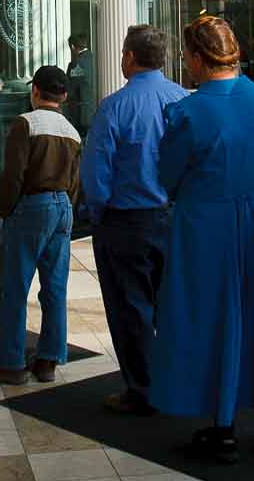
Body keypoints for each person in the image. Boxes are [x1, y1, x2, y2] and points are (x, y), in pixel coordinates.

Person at [151, 15, 254, 462]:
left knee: (210, 316)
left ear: (198, 58)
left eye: (187, 56)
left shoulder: (189, 111)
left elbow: (168, 176)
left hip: (206, 223)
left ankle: (222, 426)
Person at [80, 24, 187, 416]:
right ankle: (176, 381)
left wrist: (99, 211)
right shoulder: (181, 100)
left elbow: (96, 172)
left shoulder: (116, 106)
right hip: (173, 218)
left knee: (131, 308)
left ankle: (142, 388)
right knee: (171, 304)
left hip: (126, 221)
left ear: (129, 56)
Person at [0, 66, 82, 385]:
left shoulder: (26, 123)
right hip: (63, 206)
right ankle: (49, 360)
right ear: (64, 96)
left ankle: (10, 362)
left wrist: (7, 211)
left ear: (34, 91)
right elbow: (76, 181)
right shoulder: (72, 131)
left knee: (14, 287)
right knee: (54, 288)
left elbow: (13, 174)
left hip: (31, 206)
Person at [64, 33, 95, 137]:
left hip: (79, 114)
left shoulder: (75, 64)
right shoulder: (95, 59)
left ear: (72, 46)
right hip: (93, 110)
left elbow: (70, 89)